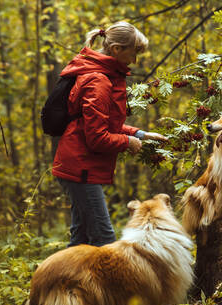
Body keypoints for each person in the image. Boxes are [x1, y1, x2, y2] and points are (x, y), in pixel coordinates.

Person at [52, 21, 167, 247]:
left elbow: (100, 124)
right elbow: (96, 137)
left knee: (81, 239)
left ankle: (66, 282)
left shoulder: (103, 75)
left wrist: (141, 134)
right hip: (80, 168)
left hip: (79, 166)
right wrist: (128, 142)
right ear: (116, 50)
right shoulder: (99, 81)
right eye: (133, 54)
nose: (134, 61)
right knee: (104, 240)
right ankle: (101, 283)